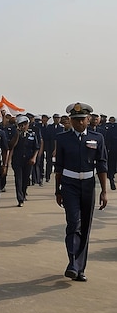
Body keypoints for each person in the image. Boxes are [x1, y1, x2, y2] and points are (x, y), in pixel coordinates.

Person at [54, 103, 108, 282]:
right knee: (73, 223)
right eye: (75, 120)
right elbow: (59, 167)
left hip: (88, 184)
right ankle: (72, 263)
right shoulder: (62, 138)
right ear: (70, 120)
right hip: (69, 184)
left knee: (85, 226)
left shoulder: (97, 138)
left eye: (82, 120)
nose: (79, 123)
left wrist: (104, 191)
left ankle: (80, 268)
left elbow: (101, 164)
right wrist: (57, 190)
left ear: (88, 120)